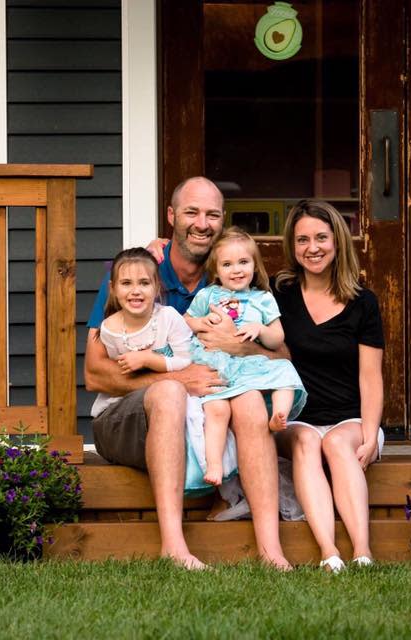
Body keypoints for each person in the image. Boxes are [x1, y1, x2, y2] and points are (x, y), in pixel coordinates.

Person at [83, 176, 291, 570]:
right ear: (171, 216)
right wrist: (180, 379)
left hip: (207, 412)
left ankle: (270, 550)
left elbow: (282, 356)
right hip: (125, 417)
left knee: (248, 402)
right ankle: (174, 548)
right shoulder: (136, 275)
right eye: (192, 212)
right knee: (169, 393)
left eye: (212, 214)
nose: (202, 223)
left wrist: (238, 345)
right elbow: (94, 373)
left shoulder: (231, 279)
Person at [271, 200, 386, 573]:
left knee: (336, 443)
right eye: (302, 239)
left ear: (337, 240)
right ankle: (328, 552)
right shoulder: (280, 294)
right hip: (300, 417)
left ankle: (363, 552)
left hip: (349, 418)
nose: (312, 247)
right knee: (308, 442)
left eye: (321, 237)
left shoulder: (362, 302)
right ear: (293, 245)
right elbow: (230, 275)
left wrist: (369, 434)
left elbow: (370, 375)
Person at [184, 227, 306, 486]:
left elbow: (277, 338)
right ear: (217, 271)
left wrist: (260, 328)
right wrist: (200, 322)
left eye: (243, 262)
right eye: (227, 264)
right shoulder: (208, 295)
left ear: (255, 265)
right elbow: (185, 321)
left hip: (249, 365)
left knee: (285, 371)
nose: (236, 270)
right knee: (217, 410)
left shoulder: (263, 298)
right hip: (217, 364)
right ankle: (214, 464)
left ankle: (279, 417)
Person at [89, 248, 192, 417]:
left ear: (157, 287)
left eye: (144, 283)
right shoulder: (109, 330)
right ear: (113, 288)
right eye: (126, 283)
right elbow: (120, 375)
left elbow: (186, 360)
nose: (135, 290)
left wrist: (147, 359)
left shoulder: (169, 318)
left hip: (174, 397)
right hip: (129, 403)